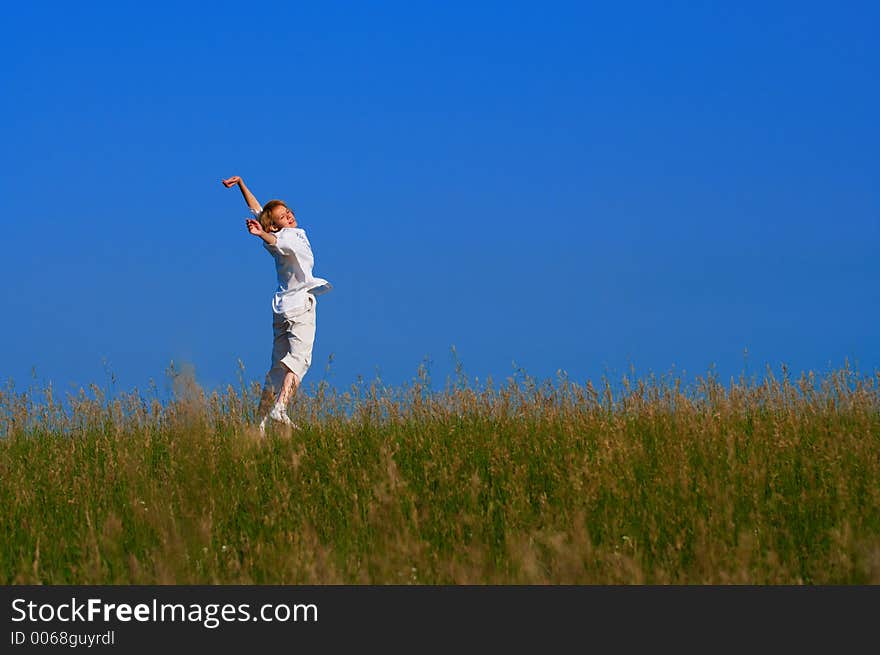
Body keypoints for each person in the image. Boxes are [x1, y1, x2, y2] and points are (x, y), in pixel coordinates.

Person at [222, 175, 332, 433]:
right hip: (299, 306)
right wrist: (262, 234)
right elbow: (275, 239)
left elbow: (258, 211)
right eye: (283, 216)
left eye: (289, 212)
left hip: (281, 307)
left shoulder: (280, 232)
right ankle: (280, 408)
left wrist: (241, 185)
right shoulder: (288, 237)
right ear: (275, 226)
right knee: (300, 360)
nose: (289, 216)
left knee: (278, 369)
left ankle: (258, 425)